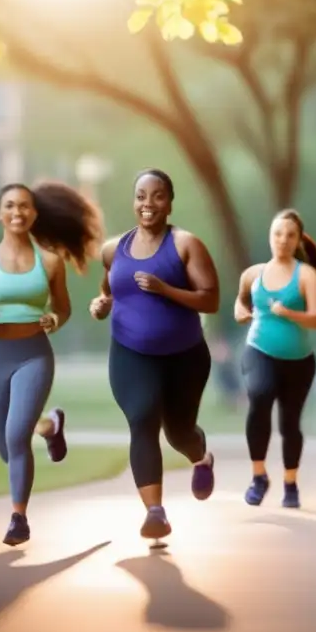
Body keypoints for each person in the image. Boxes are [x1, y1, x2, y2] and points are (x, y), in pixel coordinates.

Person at [0, 182, 97, 546]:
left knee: (17, 437)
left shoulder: (49, 262)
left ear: (34, 214)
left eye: (24, 206)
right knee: (6, 447)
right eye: (9, 206)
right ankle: (50, 426)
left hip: (34, 354)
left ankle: (18, 518)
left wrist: (54, 320)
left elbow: (63, 309)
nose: (17, 212)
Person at [89, 168, 219, 543]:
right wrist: (101, 305)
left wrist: (166, 290)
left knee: (178, 432)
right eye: (142, 196)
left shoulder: (185, 245)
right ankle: (155, 512)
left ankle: (201, 457)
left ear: (169, 201)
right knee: (142, 418)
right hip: (130, 353)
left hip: (185, 356)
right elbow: (110, 289)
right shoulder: (113, 249)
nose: (149, 204)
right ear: (134, 201)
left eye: (157, 196)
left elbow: (210, 299)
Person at [234, 209, 316, 509]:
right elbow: (241, 300)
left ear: (298, 239)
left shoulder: (307, 276)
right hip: (258, 350)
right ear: (270, 236)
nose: (283, 240)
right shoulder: (253, 274)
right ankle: (259, 476)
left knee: (290, 424)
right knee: (259, 396)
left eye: (290, 235)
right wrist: (240, 311)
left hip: (299, 361)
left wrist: (290, 314)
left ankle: (290, 483)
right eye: (277, 233)